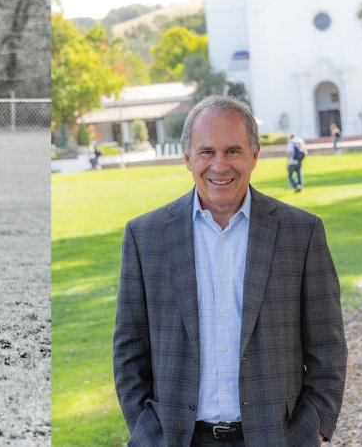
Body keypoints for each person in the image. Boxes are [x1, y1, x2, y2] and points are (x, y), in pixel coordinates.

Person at [113, 96, 347, 446]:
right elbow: (129, 352)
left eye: (233, 151)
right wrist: (148, 434)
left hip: (276, 438)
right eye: (206, 152)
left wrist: (311, 430)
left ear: (254, 155)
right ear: (187, 157)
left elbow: (327, 347)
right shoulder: (146, 236)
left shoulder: (302, 233)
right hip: (178, 438)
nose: (220, 166)